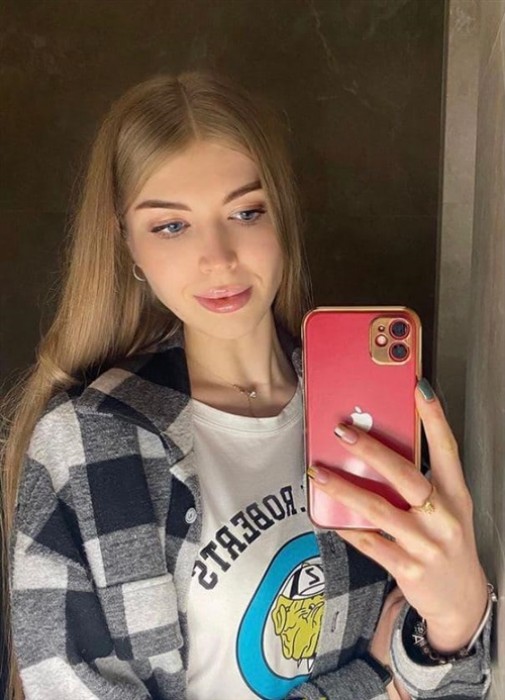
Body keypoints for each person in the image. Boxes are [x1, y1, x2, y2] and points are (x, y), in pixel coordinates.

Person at [1, 71, 495, 700]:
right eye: (170, 226)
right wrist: (372, 682)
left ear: (282, 215)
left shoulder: (372, 412)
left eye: (246, 212)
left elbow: (451, 684)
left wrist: (454, 625)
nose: (219, 257)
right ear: (125, 243)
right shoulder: (86, 445)